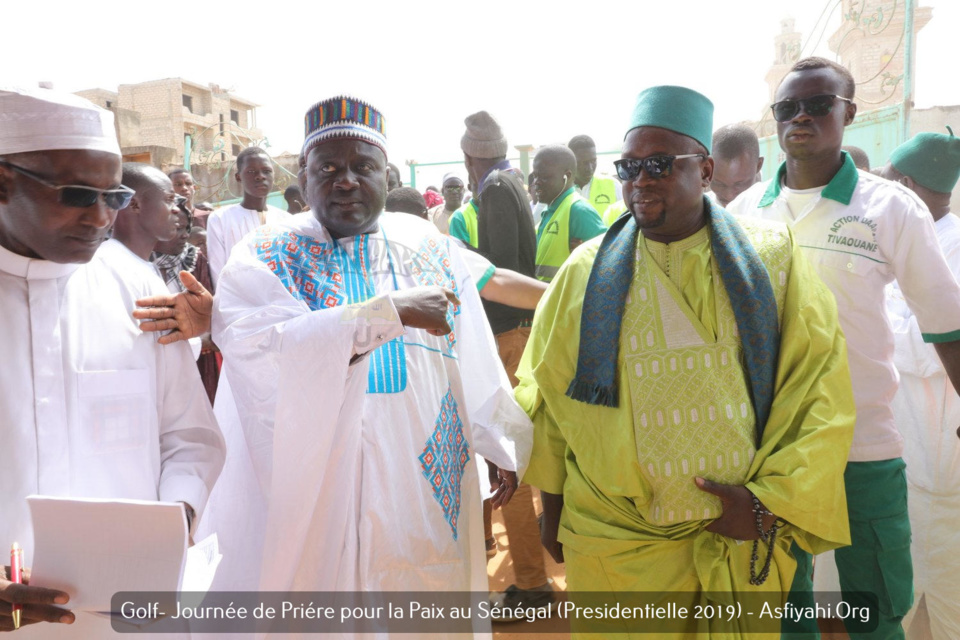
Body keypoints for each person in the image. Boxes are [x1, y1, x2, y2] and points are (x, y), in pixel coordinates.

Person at [517, 85, 855, 639]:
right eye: (628, 167)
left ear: (704, 169)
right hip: (617, 542)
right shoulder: (584, 272)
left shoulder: (774, 257)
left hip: (739, 531)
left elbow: (818, 389)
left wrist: (769, 503)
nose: (639, 181)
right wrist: (554, 510)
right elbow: (547, 397)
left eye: (657, 164)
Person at [211, 97, 532, 615]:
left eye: (363, 167)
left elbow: (470, 341)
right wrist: (386, 313)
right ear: (305, 177)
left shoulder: (426, 244)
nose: (345, 181)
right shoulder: (268, 251)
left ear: (388, 173)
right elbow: (254, 344)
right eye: (328, 168)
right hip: (320, 471)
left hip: (422, 466)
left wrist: (494, 436)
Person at [728, 57, 960, 640]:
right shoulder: (741, 214)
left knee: (877, 608)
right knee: (785, 609)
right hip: (772, 448)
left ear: (848, 114)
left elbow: (947, 324)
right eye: (787, 107)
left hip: (864, 447)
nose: (799, 117)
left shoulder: (889, 208)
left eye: (817, 104)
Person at [0, 87, 224, 635]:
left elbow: (189, 437)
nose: (101, 217)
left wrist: (174, 520)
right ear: (4, 182)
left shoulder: (138, 290)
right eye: (78, 195)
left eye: (116, 197)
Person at [879, 128, 960, 640]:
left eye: (887, 183)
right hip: (907, 457)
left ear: (906, 186)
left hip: (942, 466)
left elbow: (933, 351)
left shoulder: (951, 247)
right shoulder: (911, 237)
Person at [206, 146, 286, 283]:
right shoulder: (220, 219)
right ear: (238, 177)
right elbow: (218, 273)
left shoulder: (285, 220)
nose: (260, 176)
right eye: (251, 171)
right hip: (238, 301)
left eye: (266, 171)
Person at [532, 145, 605, 282]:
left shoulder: (579, 211)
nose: (537, 183)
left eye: (545, 177)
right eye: (535, 176)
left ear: (568, 175)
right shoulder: (549, 210)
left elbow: (607, 262)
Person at [568, 134, 621, 219]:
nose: (589, 168)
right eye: (583, 163)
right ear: (570, 162)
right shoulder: (559, 191)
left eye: (593, 161)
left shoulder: (613, 185)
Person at [710, 123, 764, 208]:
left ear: (758, 165)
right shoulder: (700, 210)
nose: (729, 196)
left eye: (739, 184)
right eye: (718, 184)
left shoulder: (775, 208)